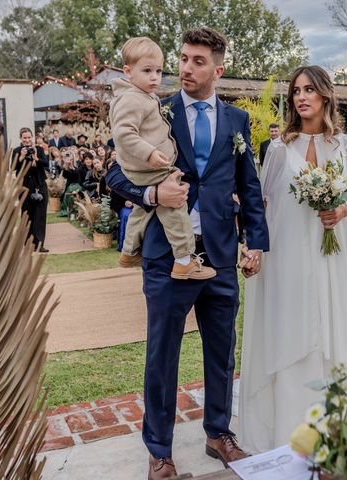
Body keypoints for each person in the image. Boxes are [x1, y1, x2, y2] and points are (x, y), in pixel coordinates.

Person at [106, 27, 268, 479]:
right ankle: (159, 449)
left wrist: (254, 242)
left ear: (218, 69)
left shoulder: (236, 121)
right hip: (166, 258)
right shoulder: (152, 107)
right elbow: (114, 174)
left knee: (222, 352)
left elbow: (248, 188)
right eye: (182, 58)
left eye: (198, 61)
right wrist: (155, 196)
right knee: (162, 355)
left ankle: (219, 433)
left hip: (217, 256)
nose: (185, 68)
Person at [239, 65, 347, 453]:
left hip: (331, 257)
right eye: (296, 91)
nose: (301, 97)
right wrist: (254, 249)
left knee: (331, 329)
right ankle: (291, 425)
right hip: (291, 257)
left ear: (325, 96)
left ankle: (336, 423)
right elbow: (264, 208)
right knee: (295, 327)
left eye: (309, 90)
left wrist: (340, 213)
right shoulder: (280, 149)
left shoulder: (346, 147)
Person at [110, 36, 216, 281]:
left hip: (218, 245)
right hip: (148, 170)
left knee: (140, 210)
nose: (155, 77)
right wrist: (153, 192)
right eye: (147, 71)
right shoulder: (133, 99)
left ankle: (128, 251)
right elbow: (120, 146)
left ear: (217, 71)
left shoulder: (148, 98)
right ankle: (183, 259)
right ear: (128, 72)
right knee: (175, 205)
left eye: (158, 71)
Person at [12, 127, 48, 252]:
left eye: (29, 137)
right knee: (27, 214)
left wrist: (36, 158)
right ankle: (28, 243)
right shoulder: (17, 151)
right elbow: (13, 167)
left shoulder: (38, 149)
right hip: (24, 186)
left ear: (32, 137)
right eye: (24, 138)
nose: (27, 140)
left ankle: (39, 244)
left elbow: (46, 164)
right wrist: (21, 157)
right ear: (21, 138)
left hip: (40, 185)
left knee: (40, 215)